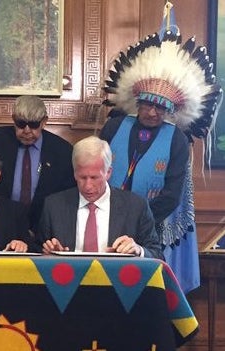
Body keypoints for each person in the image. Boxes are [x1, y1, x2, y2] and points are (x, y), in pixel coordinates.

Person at [100, 29, 222, 292]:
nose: (153, 112)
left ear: (170, 110)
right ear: (138, 102)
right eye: (147, 105)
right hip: (104, 219)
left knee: (142, 289)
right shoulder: (114, 128)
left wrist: (139, 221)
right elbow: (96, 172)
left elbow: (171, 194)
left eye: (160, 107)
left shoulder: (176, 139)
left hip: (148, 229)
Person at [38, 136, 163, 259]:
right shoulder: (54, 205)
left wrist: (138, 250)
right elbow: (37, 250)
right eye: (82, 177)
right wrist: (49, 253)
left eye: (94, 178)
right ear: (74, 173)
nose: (87, 186)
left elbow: (157, 255)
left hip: (116, 278)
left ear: (108, 172)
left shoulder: (136, 206)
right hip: (68, 278)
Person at [0, 95, 75, 230]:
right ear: (13, 119)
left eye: (33, 124)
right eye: (21, 124)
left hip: (43, 228)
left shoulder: (62, 150)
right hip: (0, 224)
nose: (26, 130)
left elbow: (65, 198)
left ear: (44, 122)